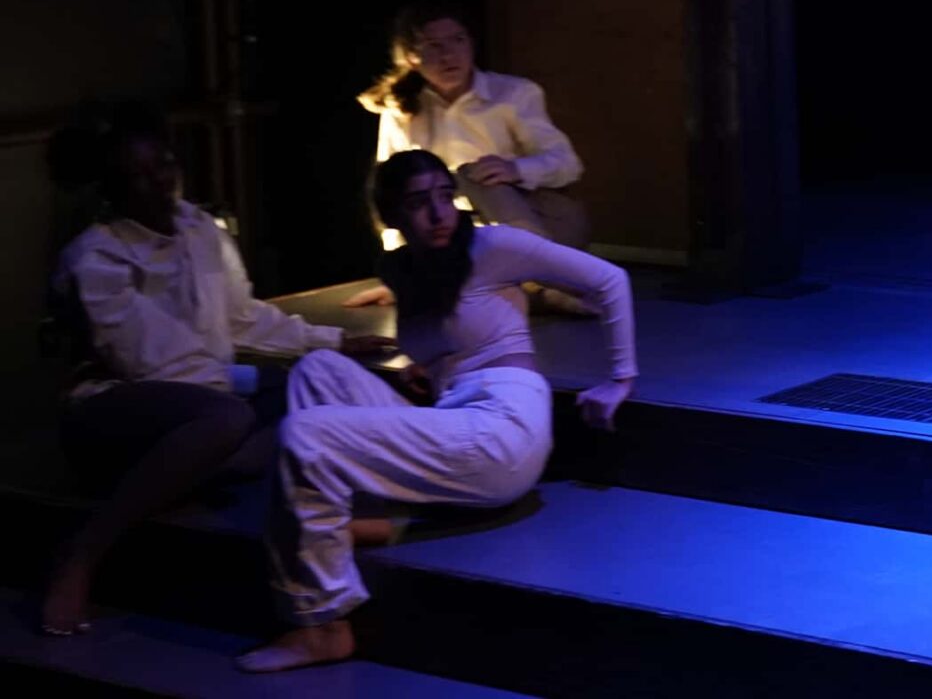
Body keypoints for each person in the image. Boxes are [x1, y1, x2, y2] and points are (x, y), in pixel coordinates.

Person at [236, 149, 638, 673]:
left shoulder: (493, 245)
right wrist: (429, 366)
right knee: (318, 370)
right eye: (418, 202)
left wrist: (620, 379)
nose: (439, 213)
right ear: (392, 215)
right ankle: (353, 523)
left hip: (502, 428)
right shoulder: (401, 268)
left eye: (446, 196)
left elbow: (610, 281)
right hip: (457, 413)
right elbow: (451, 339)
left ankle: (323, 623)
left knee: (306, 434)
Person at [40, 104, 397, 637]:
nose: (159, 182)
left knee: (314, 388)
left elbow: (243, 318)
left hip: (206, 396)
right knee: (230, 419)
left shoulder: (198, 228)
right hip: (117, 406)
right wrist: (243, 395)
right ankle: (84, 551)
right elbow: (151, 363)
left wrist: (334, 341)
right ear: (111, 188)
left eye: (163, 165)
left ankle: (195, 471)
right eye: (138, 175)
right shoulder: (96, 258)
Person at [352, 3, 593, 314]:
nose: (448, 55)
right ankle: (539, 292)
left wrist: (514, 169)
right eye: (434, 45)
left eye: (458, 40)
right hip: (461, 237)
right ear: (411, 56)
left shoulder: (512, 94)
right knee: (427, 185)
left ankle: (551, 275)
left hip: (541, 221)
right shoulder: (401, 109)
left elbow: (568, 164)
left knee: (474, 174)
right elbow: (392, 193)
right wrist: (401, 267)